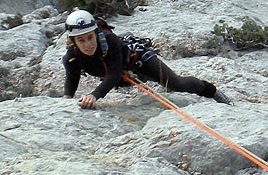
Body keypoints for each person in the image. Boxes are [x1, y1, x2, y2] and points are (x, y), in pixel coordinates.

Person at [62, 9, 231, 109]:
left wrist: (94, 95)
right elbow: (72, 77)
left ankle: (212, 91)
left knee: (176, 84)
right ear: (74, 42)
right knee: (164, 83)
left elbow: (113, 75)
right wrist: (66, 99)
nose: (88, 44)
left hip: (139, 61)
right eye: (81, 40)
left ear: (96, 34)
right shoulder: (72, 58)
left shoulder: (110, 42)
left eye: (90, 38)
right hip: (123, 77)